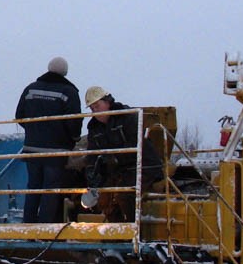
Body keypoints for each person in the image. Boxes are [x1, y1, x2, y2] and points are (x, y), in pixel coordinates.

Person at [15, 57, 82, 223]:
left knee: (33, 189)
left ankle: (28, 227)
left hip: (31, 150)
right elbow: (74, 122)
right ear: (65, 72)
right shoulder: (69, 92)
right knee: (50, 191)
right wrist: (72, 140)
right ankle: (44, 229)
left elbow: (19, 116)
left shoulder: (30, 89)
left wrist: (34, 132)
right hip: (56, 152)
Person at [84, 86, 164, 222]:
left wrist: (114, 158)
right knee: (104, 199)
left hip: (143, 166)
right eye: (92, 109)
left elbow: (135, 143)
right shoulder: (94, 128)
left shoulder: (127, 116)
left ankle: (134, 234)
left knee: (125, 195)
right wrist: (91, 173)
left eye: (97, 106)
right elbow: (92, 153)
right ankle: (116, 233)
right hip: (120, 170)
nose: (95, 111)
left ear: (108, 102)